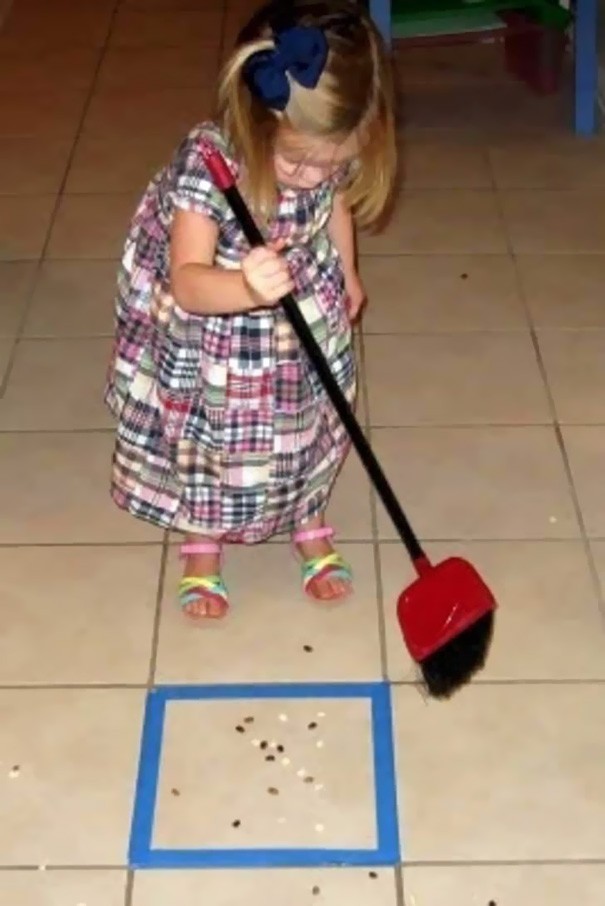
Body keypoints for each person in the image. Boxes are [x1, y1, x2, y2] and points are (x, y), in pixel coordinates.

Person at [105, 0, 396, 620]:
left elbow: (334, 206)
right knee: (215, 444)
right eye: (298, 161)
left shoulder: (324, 164)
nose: (315, 174)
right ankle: (202, 541)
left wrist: (346, 270)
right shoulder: (208, 168)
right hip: (218, 334)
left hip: (299, 316)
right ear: (254, 123)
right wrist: (244, 286)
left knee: (308, 419)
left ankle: (305, 512)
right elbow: (187, 281)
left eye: (335, 162)